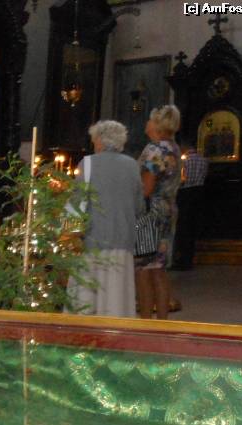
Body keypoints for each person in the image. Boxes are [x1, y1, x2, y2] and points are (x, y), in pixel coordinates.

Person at [69, 120, 145, 318]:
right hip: (123, 240)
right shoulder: (132, 165)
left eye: (94, 140)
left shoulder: (87, 163)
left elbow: (76, 203)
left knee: (87, 298)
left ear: (100, 141)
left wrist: (68, 233)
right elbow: (139, 207)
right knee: (117, 297)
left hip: (93, 239)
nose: (93, 144)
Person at [136, 104, 182, 320]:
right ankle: (163, 322)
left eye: (149, 119)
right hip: (167, 209)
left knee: (144, 269)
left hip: (150, 213)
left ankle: (146, 322)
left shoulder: (155, 150)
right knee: (159, 269)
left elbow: (146, 188)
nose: (146, 123)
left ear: (157, 124)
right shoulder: (173, 147)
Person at [172, 137, 209, 271]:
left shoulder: (184, 161)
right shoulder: (203, 160)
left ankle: (182, 259)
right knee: (192, 226)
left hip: (185, 193)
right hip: (199, 193)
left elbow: (181, 178)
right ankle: (190, 258)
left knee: (183, 227)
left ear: (184, 147)